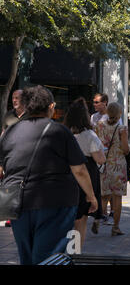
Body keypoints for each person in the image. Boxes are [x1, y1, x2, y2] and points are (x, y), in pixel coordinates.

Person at [0, 85, 97, 265]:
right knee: (50, 256)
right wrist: (91, 196)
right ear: (51, 107)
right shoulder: (59, 131)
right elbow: (79, 170)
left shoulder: (10, 132)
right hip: (55, 201)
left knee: (27, 256)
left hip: (17, 203)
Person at [63, 97, 106, 246]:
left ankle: (68, 248)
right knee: (81, 218)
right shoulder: (89, 135)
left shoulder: (65, 133)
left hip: (66, 175)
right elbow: (100, 159)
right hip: (86, 174)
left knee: (70, 215)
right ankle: (75, 251)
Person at [95, 102, 130, 236]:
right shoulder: (122, 129)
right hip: (118, 165)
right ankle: (115, 227)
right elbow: (125, 149)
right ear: (119, 113)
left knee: (104, 196)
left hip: (103, 165)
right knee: (117, 198)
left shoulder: (99, 126)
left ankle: (98, 220)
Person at [2, 89, 28, 228]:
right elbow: (3, 134)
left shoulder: (30, 115)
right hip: (11, 156)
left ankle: (23, 214)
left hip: (27, 156)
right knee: (10, 185)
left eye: (17, 98)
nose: (14, 100)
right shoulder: (9, 116)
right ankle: (10, 215)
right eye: (13, 97)